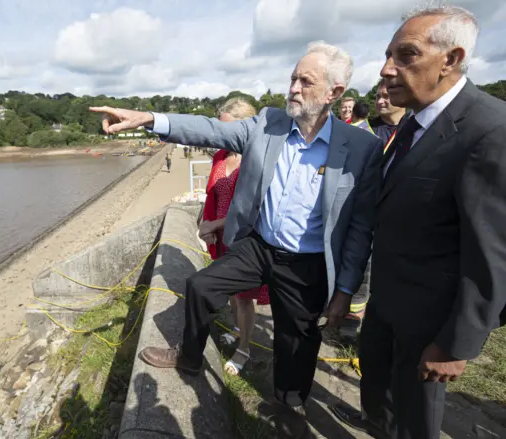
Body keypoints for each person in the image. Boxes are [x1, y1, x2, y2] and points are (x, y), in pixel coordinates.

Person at [90, 41, 382, 434]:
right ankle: (191, 357)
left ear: (335, 92)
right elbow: (210, 128)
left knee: (297, 342)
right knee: (201, 284)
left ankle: (289, 402)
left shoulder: (362, 148)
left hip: (309, 263)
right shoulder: (268, 123)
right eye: (292, 78)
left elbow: (362, 228)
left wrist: (346, 291)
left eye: (305, 81)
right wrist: (148, 118)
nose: (293, 88)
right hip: (260, 247)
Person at [331, 5, 506, 439]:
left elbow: (494, 256)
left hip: (430, 320)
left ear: (450, 59)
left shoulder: (490, 131)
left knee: (417, 417)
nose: (386, 69)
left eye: (405, 55)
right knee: (379, 390)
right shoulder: (411, 124)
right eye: (388, 54)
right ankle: (377, 423)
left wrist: (455, 345)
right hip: (387, 302)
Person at [197, 97, 269, 376]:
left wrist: (215, 223)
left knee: (243, 298)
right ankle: (239, 330)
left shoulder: (257, 158)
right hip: (222, 236)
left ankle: (245, 349)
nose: (222, 135)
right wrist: (208, 222)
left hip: (246, 240)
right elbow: (212, 194)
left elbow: (253, 209)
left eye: (227, 128)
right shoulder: (219, 156)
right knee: (230, 292)